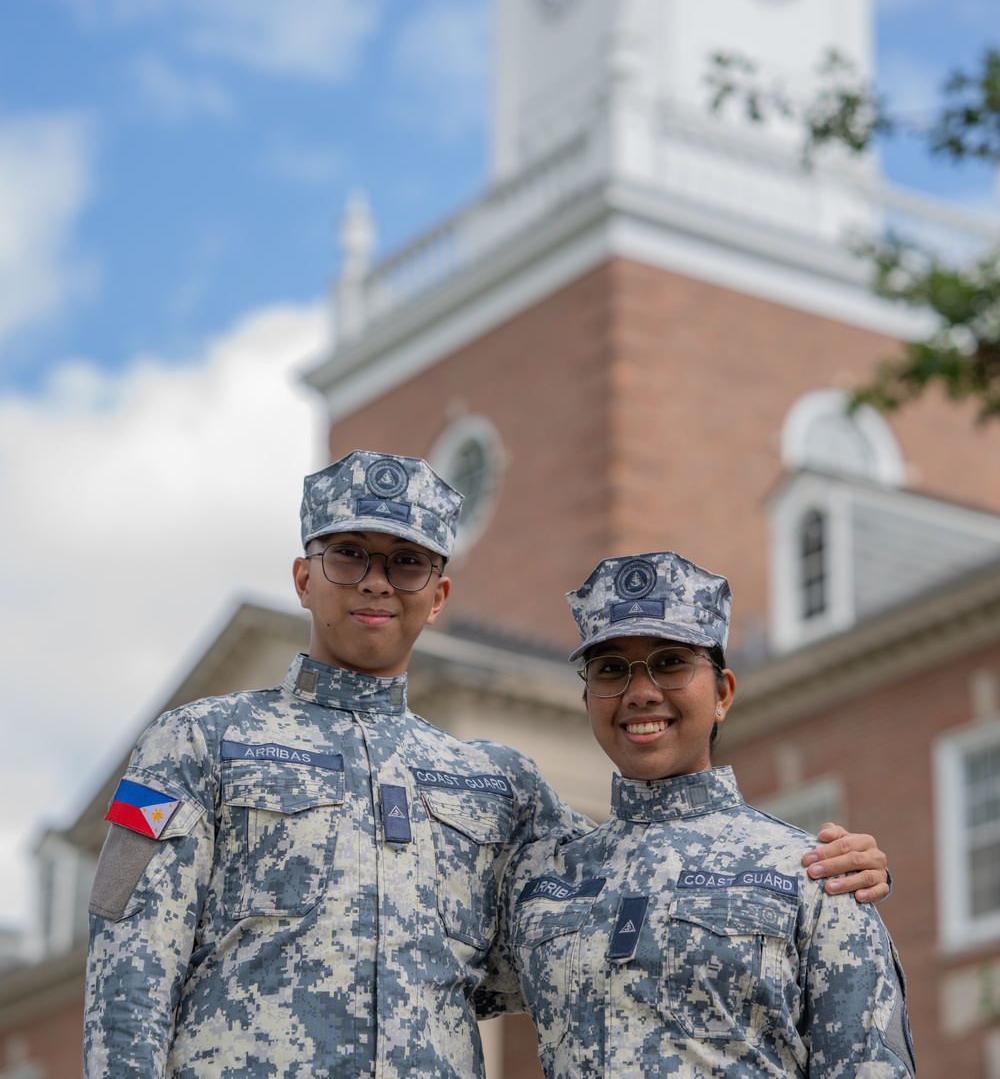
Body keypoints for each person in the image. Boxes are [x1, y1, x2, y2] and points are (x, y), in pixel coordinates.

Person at [85, 454, 891, 1078]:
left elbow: (634, 878)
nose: (375, 580)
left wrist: (835, 868)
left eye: (406, 562)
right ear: (304, 578)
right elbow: (129, 966)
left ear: (437, 596)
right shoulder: (194, 744)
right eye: (348, 555)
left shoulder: (497, 787)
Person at [481, 550, 915, 1077]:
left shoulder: (814, 876)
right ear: (588, 697)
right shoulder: (541, 883)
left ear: (722, 694)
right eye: (611, 669)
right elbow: (417, 975)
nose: (640, 693)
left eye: (670, 663)